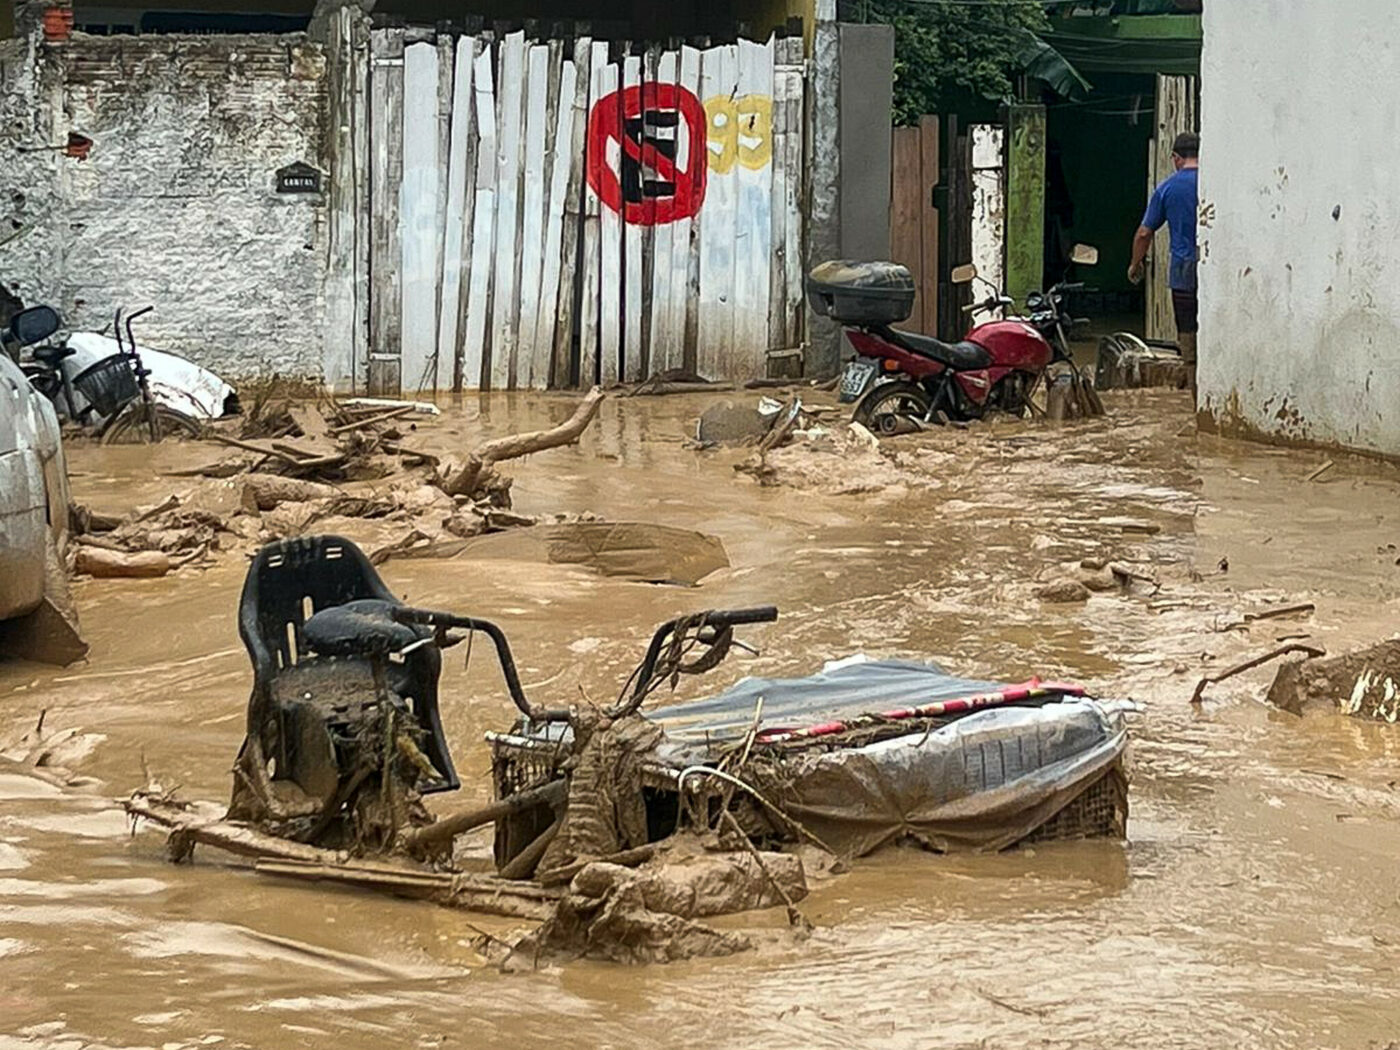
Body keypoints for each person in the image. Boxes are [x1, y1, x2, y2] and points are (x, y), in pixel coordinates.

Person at [1129, 131, 1199, 401]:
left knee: (1189, 339)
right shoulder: (1215, 183)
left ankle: (1196, 400)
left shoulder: (1168, 188)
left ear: (1176, 158)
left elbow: (1144, 234)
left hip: (1183, 272)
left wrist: (1135, 265)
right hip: (1214, 271)